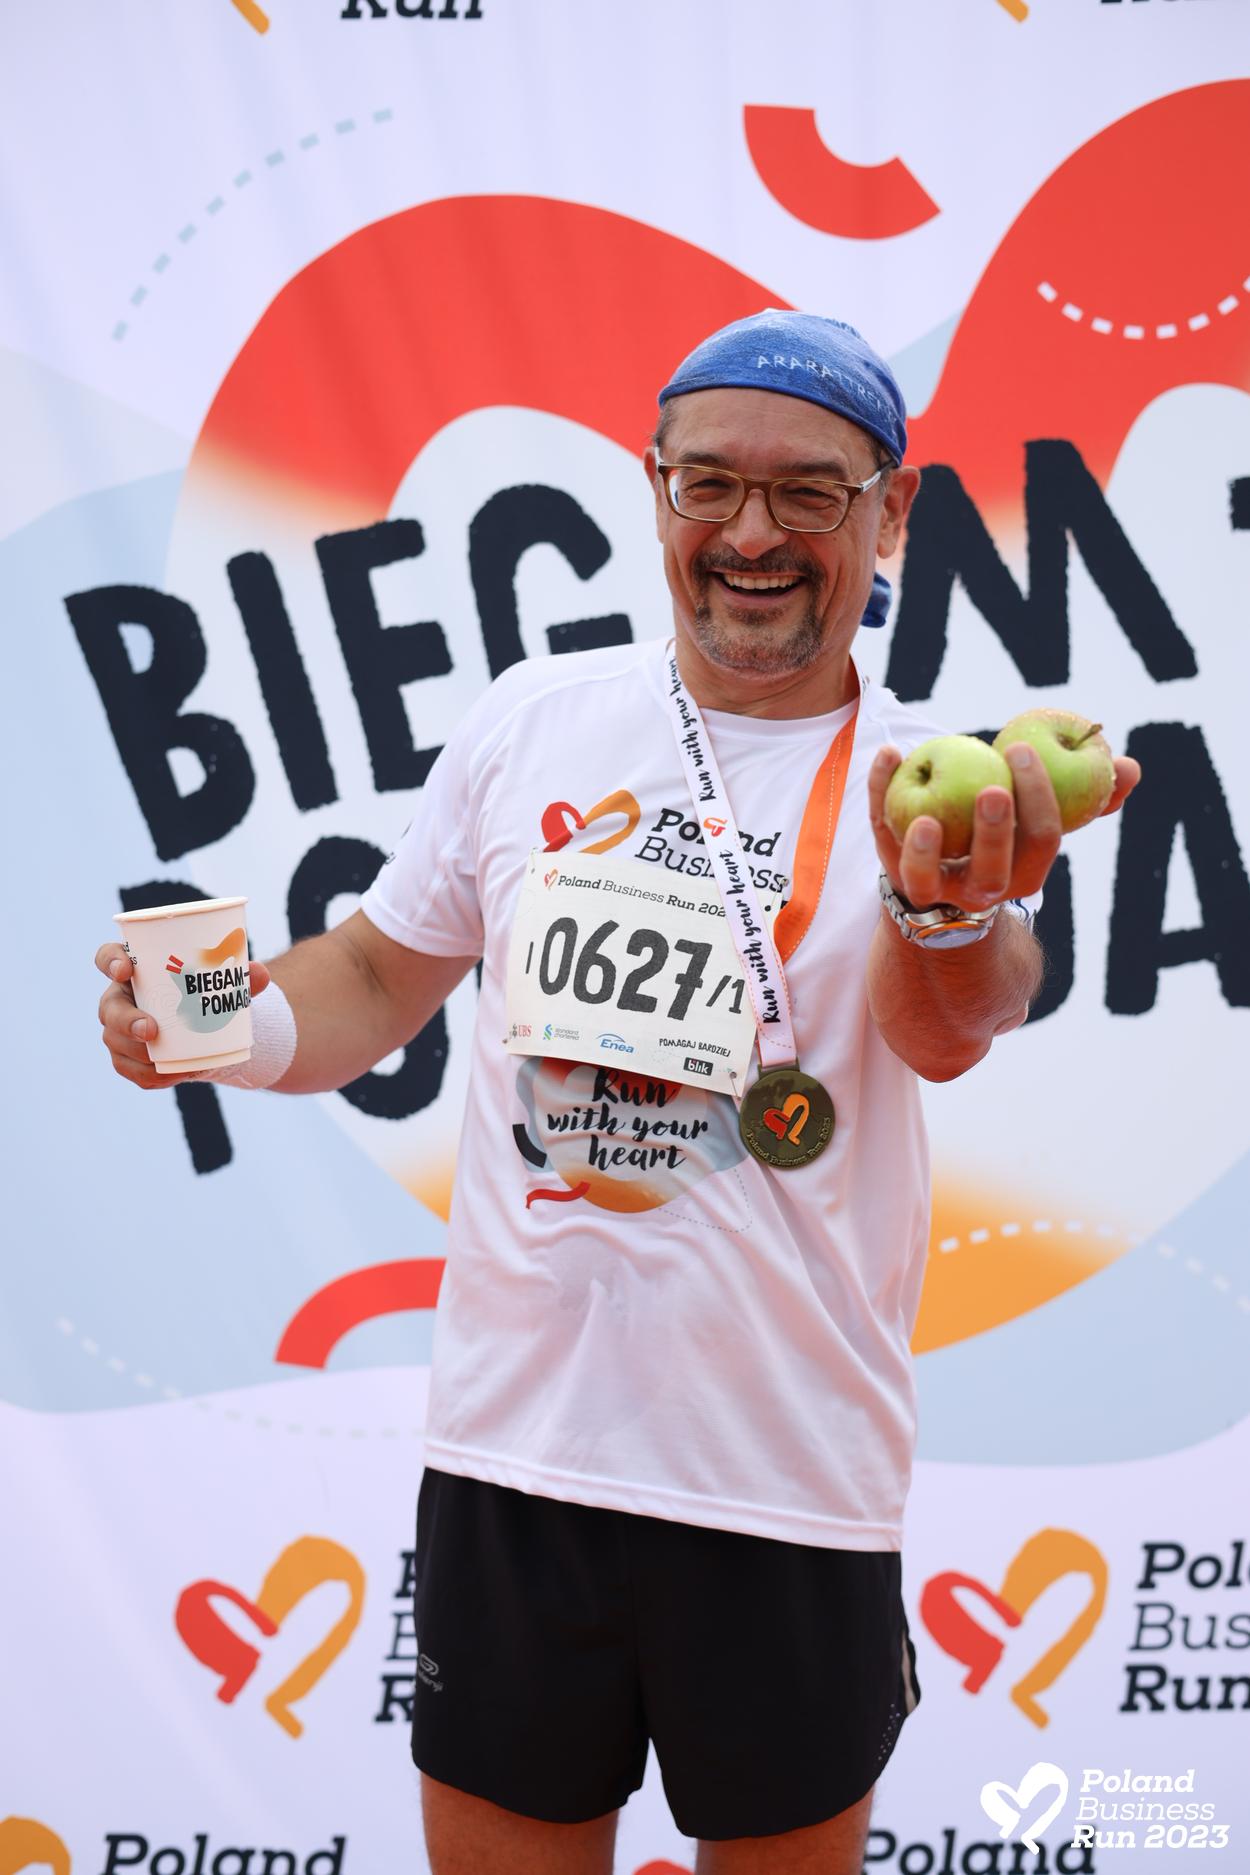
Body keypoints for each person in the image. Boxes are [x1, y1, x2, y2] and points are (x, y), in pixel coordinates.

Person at [96, 310, 1139, 1875]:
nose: (750, 534)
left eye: (808, 492)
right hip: (517, 1466)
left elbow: (954, 1025)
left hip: (786, 1482)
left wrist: (944, 914)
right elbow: (375, 975)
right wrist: (206, 1023)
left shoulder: (933, 783)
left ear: (891, 515)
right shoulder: (534, 723)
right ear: (656, 492)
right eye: (707, 483)